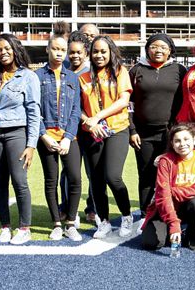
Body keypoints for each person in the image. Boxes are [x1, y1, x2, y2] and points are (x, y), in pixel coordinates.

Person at [0, 33, 41, 245]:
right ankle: (5, 226)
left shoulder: (28, 77)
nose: (3, 52)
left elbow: (34, 111)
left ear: (16, 49)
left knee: (19, 181)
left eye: (7, 48)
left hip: (17, 133)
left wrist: (31, 144)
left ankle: (24, 228)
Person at [79, 35, 134, 239]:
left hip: (117, 130)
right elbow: (77, 108)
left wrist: (97, 118)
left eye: (103, 51)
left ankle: (127, 216)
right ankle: (103, 221)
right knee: (96, 180)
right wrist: (89, 123)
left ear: (111, 52)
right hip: (92, 133)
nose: (99, 55)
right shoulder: (83, 77)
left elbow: (123, 101)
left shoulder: (120, 72)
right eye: (95, 51)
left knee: (113, 176)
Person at [129, 33, 187, 218]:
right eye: (154, 46)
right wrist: (132, 130)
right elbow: (128, 103)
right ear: (147, 49)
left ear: (170, 50)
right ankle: (146, 214)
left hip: (169, 134)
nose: (158, 50)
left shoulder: (179, 70)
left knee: (169, 175)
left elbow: (184, 100)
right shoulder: (137, 70)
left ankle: (169, 212)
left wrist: (178, 129)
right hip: (143, 134)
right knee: (146, 175)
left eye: (163, 47)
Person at [36, 33, 83, 242]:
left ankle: (71, 222)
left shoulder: (73, 77)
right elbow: (33, 109)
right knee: (51, 180)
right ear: (48, 49)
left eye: (62, 50)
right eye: (55, 48)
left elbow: (76, 110)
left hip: (68, 137)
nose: (59, 53)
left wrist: (68, 137)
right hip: (46, 136)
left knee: (74, 178)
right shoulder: (37, 76)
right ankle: (56, 222)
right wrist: (43, 135)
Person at [141, 124, 195, 250]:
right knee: (151, 243)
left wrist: (173, 191)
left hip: (188, 207)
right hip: (165, 208)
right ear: (172, 144)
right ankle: (172, 228)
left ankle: (191, 234)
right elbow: (163, 196)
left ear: (194, 140)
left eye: (186, 139)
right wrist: (174, 224)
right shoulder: (165, 161)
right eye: (177, 141)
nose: (182, 144)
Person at [66, 30, 97, 224]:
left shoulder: (92, 72)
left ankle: (92, 208)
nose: (75, 56)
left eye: (79, 52)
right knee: (69, 174)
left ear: (86, 52)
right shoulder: (63, 71)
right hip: (69, 132)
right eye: (72, 52)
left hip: (89, 129)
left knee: (92, 172)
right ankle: (68, 210)